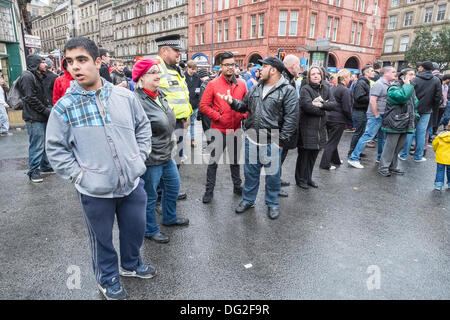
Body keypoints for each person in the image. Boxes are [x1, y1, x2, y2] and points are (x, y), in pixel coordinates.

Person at [45, 37, 153, 300]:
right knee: (102, 240)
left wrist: (139, 159)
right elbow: (56, 149)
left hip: (131, 183)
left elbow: (142, 128)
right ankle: (108, 279)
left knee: (135, 229)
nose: (75, 67)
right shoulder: (65, 107)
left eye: (81, 60)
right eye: (69, 62)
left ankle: (130, 265)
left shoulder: (125, 96)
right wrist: (80, 176)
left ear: (97, 61)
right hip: (95, 191)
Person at [219, 57, 299, 219]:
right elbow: (244, 106)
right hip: (252, 139)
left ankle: (272, 203)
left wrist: (281, 141)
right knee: (250, 174)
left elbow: (292, 119)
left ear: (273, 70)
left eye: (264, 67)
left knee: (273, 176)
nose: (259, 69)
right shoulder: (256, 88)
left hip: (272, 141)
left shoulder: (287, 90)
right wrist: (232, 102)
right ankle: (248, 200)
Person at [132, 58, 189, 244]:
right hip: (150, 158)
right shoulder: (136, 100)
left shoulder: (159, 93)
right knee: (149, 197)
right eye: (153, 72)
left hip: (166, 153)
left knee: (172, 187)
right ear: (141, 77)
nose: (158, 75)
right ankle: (150, 229)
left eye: (158, 71)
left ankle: (169, 217)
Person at [199, 52, 247, 204]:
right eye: (227, 65)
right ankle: (209, 191)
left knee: (235, 161)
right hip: (218, 130)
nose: (230, 68)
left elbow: (247, 105)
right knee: (213, 162)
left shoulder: (242, 84)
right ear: (221, 66)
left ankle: (237, 186)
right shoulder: (213, 84)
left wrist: (243, 116)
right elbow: (203, 106)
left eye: (232, 64)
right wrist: (218, 116)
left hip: (236, 130)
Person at [155, 34, 193, 200]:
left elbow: (181, 95)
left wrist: (187, 116)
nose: (180, 53)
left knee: (175, 159)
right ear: (164, 51)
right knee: (164, 161)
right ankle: (161, 194)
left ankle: (170, 190)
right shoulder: (155, 68)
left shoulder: (175, 69)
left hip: (178, 123)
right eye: (176, 50)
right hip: (164, 126)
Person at [295, 66, 338, 188]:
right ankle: (300, 180)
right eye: (313, 74)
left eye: (318, 73)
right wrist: (324, 108)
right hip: (307, 127)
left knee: (313, 155)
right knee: (304, 156)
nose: (315, 75)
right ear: (309, 77)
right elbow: (307, 106)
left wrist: (321, 105)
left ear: (321, 75)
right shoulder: (305, 89)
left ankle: (308, 178)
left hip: (320, 129)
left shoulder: (326, 88)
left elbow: (334, 104)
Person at [348, 66, 396, 169]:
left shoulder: (387, 84)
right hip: (375, 115)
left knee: (382, 138)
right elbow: (372, 100)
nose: (395, 74)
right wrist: (376, 114)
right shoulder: (379, 84)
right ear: (386, 73)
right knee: (367, 136)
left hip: (381, 115)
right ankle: (353, 158)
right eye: (392, 72)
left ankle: (379, 158)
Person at [17, 54, 53, 183]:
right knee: (37, 144)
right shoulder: (27, 76)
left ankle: (45, 166)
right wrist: (44, 110)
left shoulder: (38, 75)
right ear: (36, 63)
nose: (45, 64)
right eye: (42, 62)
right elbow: (29, 97)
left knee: (42, 143)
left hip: (40, 115)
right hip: (34, 117)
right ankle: (33, 171)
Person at [398, 61, 442, 162]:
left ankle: (404, 154)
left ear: (422, 68)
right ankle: (418, 156)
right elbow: (438, 97)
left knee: (410, 131)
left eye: (419, 67)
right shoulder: (436, 80)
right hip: (427, 110)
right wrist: (433, 107)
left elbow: (408, 92)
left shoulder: (415, 79)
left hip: (413, 108)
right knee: (421, 133)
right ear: (431, 70)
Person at [378, 68, 418, 177]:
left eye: (414, 74)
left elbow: (415, 102)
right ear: (403, 77)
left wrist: (415, 114)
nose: (414, 76)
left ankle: (393, 166)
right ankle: (383, 167)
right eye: (411, 74)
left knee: (399, 146)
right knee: (390, 147)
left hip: (406, 121)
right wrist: (407, 85)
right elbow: (402, 97)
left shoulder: (409, 88)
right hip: (395, 122)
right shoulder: (394, 88)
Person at [319, 69, 352, 170]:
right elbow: (347, 108)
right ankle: (325, 164)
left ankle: (335, 160)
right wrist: (350, 119)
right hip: (338, 119)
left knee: (333, 140)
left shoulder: (333, 87)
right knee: (332, 142)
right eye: (349, 77)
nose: (350, 79)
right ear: (345, 78)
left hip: (329, 117)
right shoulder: (345, 90)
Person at [279, 54, 300, 193]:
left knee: (280, 157)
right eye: (298, 65)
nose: (299, 68)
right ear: (292, 66)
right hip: (282, 128)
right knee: (277, 158)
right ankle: (274, 185)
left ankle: (277, 180)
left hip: (286, 127)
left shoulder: (289, 79)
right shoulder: (284, 80)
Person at [348, 66, 375, 157]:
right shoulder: (361, 83)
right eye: (371, 71)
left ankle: (357, 151)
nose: (373, 72)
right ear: (366, 73)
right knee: (358, 132)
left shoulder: (365, 83)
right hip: (359, 111)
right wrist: (372, 98)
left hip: (362, 111)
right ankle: (352, 151)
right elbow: (358, 97)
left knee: (361, 132)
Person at [184, 60, 202, 148]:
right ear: (188, 67)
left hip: (194, 103)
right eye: (192, 69)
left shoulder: (197, 77)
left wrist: (198, 92)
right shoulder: (183, 77)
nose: (193, 71)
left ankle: (192, 139)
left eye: (194, 69)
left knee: (192, 123)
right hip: (185, 105)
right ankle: (182, 141)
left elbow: (199, 87)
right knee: (185, 125)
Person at [432, 121, 450, 191]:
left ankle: (438, 185)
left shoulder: (441, 135)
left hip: (440, 157)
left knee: (440, 171)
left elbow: (434, 144)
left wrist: (435, 150)